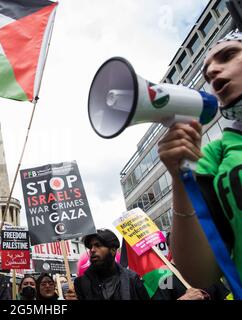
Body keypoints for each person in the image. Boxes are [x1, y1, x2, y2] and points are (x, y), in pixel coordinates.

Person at [158, 30, 242, 289]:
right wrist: (180, 178)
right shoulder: (215, 155)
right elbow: (200, 276)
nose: (213, 71)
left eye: (228, 56)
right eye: (207, 73)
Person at [74, 229, 150, 300]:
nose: (92, 250)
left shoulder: (132, 279)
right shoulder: (81, 283)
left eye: (98, 245)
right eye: (90, 247)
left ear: (113, 250)